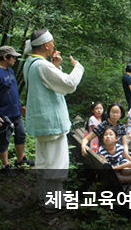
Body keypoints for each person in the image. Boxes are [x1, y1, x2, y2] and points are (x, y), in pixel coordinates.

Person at [23, 29, 84, 213]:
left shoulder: (30, 63)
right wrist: (78, 67)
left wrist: (55, 66)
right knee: (56, 163)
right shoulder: (42, 66)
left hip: (41, 122)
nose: (54, 46)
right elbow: (69, 85)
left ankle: (45, 197)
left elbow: (49, 85)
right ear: (46, 45)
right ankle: (53, 203)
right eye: (53, 42)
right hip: (52, 122)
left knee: (44, 161)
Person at [0, 46, 34, 177]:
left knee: (21, 135)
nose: (14, 59)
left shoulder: (11, 71)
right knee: (4, 140)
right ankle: (5, 165)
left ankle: (20, 159)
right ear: (5, 57)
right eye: (12, 56)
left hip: (16, 112)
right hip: (3, 114)